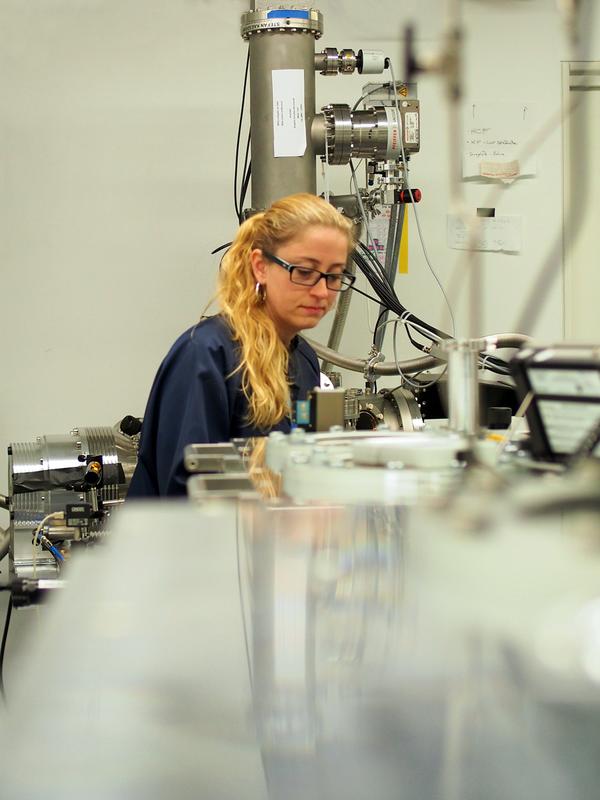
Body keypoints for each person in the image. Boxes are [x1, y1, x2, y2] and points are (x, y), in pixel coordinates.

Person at [127, 193, 356, 497]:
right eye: (303, 272)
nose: (321, 291)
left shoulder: (304, 360)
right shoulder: (207, 354)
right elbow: (188, 493)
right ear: (261, 266)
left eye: (334, 276)